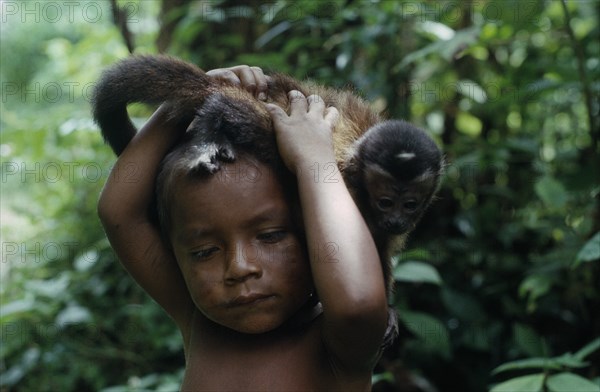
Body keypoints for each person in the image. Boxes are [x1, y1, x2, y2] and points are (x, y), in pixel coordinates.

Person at [97, 65, 389, 390]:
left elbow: (359, 303)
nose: (239, 268)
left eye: (270, 235)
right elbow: (119, 212)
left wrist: (314, 160)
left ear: (315, 234)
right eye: (205, 251)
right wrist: (193, 99)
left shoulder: (341, 344)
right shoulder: (201, 323)